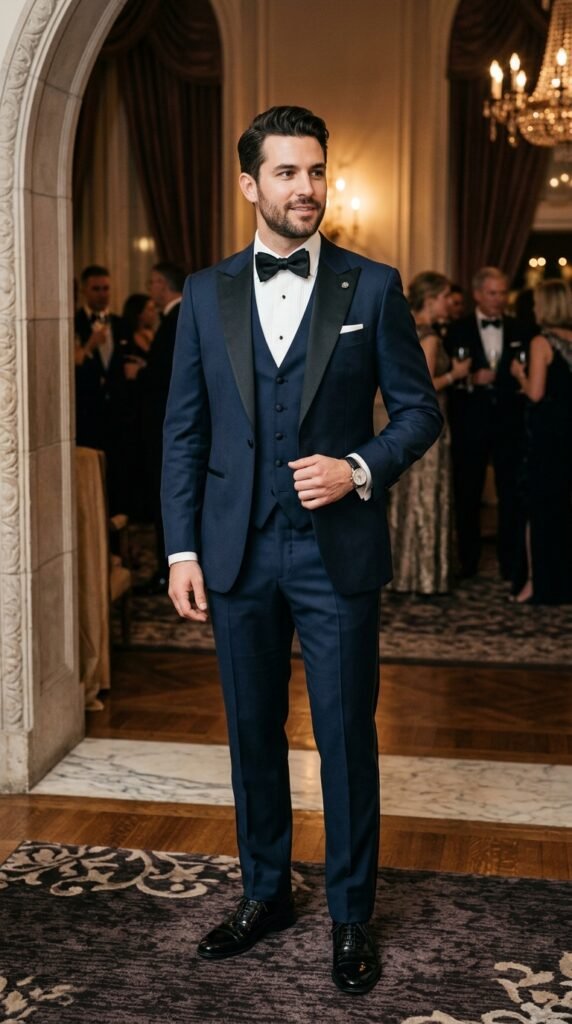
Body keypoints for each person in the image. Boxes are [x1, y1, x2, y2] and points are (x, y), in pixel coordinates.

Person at [162, 106, 442, 995]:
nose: (306, 190)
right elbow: (183, 435)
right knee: (251, 734)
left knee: (345, 738)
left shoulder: (372, 286)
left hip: (335, 558)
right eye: (287, 173)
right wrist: (179, 552)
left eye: (317, 172)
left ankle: (352, 914)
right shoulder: (203, 296)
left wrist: (358, 465)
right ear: (250, 185)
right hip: (235, 554)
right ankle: (265, 892)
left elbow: (420, 413)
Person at [388, 272, 470, 594]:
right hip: (427, 426)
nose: (449, 304)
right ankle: (422, 575)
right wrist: (455, 374)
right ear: (432, 298)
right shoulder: (430, 337)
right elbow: (424, 387)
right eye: (445, 297)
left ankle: (404, 572)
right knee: (425, 495)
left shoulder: (404, 327)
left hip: (402, 424)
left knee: (408, 496)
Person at [446, 266, 529, 580]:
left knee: (511, 496)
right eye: (492, 293)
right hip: (470, 425)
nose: (499, 299)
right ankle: (468, 563)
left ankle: (512, 564)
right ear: (478, 294)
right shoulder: (457, 330)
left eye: (503, 292)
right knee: (467, 496)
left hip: (511, 425)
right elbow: (440, 378)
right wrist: (469, 377)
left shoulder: (522, 329)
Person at [510, 279, 572, 604]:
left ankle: (536, 583)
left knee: (540, 509)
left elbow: (535, 393)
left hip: (549, 438)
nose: (533, 309)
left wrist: (518, 373)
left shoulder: (541, 342)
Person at [130, 263, 185, 593]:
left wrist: (140, 375)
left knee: (168, 494)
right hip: (166, 423)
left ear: (163, 285)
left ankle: (170, 568)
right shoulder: (175, 317)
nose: (150, 289)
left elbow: (167, 375)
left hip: (166, 425)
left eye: (152, 282)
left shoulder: (175, 319)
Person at [74, 264, 128, 513]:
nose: (102, 294)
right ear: (85, 290)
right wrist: (89, 345)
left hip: (117, 413)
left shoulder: (121, 323)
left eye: (106, 288)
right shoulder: (72, 323)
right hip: (87, 412)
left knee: (118, 476)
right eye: (96, 289)